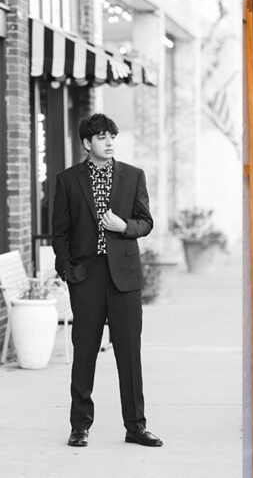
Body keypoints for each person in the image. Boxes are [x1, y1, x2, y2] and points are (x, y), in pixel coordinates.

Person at [52, 113, 162, 447]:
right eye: (101, 137)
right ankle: (80, 425)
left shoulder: (133, 176)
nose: (110, 141)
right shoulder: (68, 180)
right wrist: (68, 271)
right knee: (84, 353)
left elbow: (146, 222)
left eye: (112, 135)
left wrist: (124, 227)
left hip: (125, 277)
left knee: (130, 353)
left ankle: (136, 426)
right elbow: (60, 232)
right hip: (86, 277)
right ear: (87, 143)